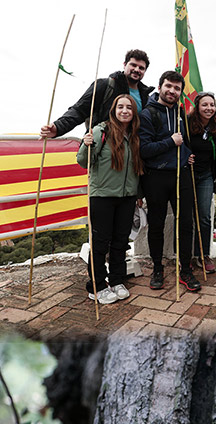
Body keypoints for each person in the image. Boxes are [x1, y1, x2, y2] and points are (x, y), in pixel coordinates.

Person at [77, 95, 144, 305]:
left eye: (129, 108)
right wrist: (85, 144)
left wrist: (138, 194)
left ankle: (116, 280)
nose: (125, 111)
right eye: (120, 107)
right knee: (99, 243)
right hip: (102, 196)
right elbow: (83, 161)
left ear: (134, 113)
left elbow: (136, 169)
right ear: (114, 110)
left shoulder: (134, 135)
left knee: (120, 242)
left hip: (126, 197)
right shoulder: (101, 131)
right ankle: (96, 286)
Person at [139, 71, 201, 293]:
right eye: (169, 86)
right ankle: (158, 268)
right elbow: (144, 150)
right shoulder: (147, 114)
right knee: (156, 224)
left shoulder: (180, 113)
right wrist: (170, 142)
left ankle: (185, 269)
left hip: (181, 173)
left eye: (177, 88)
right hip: (155, 177)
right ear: (160, 87)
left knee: (185, 223)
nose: (172, 91)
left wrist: (185, 153)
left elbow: (183, 140)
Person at [41, 50, 153, 138]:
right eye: (133, 65)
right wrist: (58, 127)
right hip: (103, 150)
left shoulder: (145, 97)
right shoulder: (105, 85)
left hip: (132, 153)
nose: (137, 69)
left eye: (141, 68)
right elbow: (79, 110)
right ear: (124, 64)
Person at [188, 92, 216, 274]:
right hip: (188, 176)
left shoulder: (213, 127)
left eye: (212, 105)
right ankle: (184, 256)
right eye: (205, 105)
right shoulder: (187, 124)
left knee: (204, 217)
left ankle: (203, 255)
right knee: (185, 218)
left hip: (205, 176)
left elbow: (211, 146)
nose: (209, 108)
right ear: (197, 107)